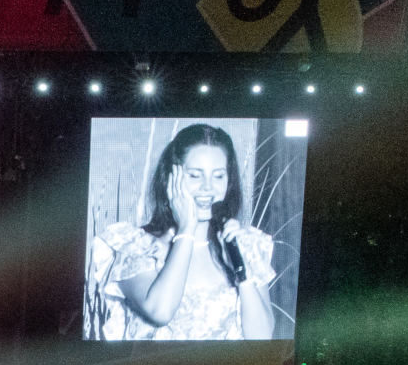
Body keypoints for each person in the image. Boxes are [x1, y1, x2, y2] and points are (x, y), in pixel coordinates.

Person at [91, 124, 277, 341]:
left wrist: (242, 272)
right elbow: (160, 311)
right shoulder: (137, 247)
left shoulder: (245, 244)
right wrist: (186, 230)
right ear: (171, 178)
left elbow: (262, 337)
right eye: (195, 176)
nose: (208, 188)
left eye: (218, 176)